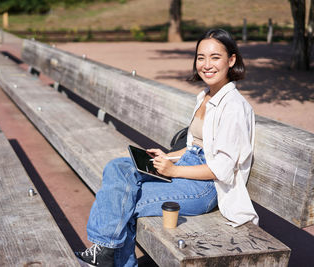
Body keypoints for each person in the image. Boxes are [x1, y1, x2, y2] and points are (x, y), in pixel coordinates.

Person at [75, 28, 259, 267]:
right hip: (186, 167)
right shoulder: (204, 96)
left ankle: (106, 253)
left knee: (123, 205)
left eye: (215, 57)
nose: (207, 64)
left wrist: (174, 171)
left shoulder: (234, 107)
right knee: (118, 167)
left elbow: (221, 169)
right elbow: (196, 146)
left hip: (204, 187)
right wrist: (169, 157)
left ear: (231, 60)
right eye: (201, 57)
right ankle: (107, 252)